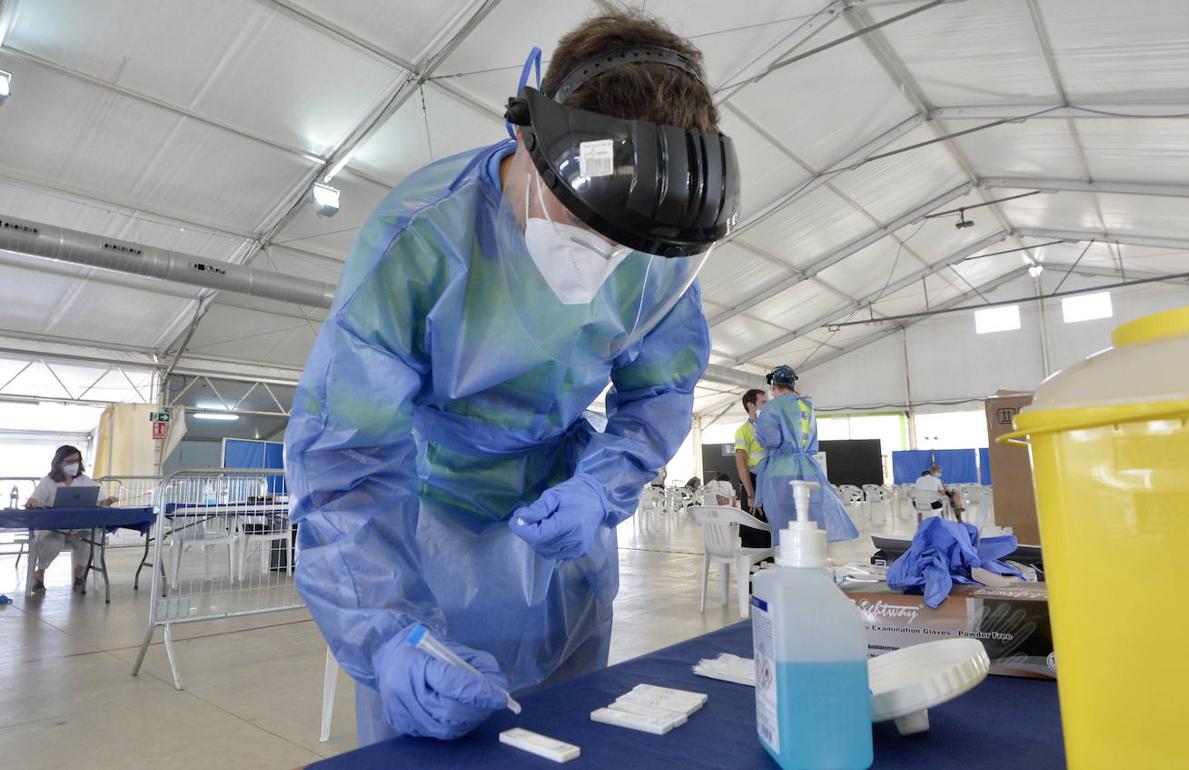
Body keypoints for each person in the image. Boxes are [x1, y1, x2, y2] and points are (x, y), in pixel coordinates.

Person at [285, 11, 740, 745]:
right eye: (586, 217)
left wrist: (601, 487)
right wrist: (387, 632)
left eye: (625, 243)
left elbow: (659, 391)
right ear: (527, 135)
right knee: (429, 737)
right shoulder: (422, 237)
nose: (601, 254)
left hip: (564, 521)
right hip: (423, 529)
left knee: (573, 728)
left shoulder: (661, 250)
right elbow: (346, 457)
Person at [753, 366, 858, 544]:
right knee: (808, 517)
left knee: (784, 524)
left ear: (774, 385)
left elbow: (772, 440)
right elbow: (812, 440)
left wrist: (758, 430)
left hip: (780, 471)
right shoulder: (807, 405)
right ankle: (809, 556)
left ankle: (787, 560)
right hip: (807, 469)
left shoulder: (772, 407)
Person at [24, 445, 117, 594]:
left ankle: (79, 573)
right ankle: (39, 572)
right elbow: (34, 500)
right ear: (59, 462)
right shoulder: (48, 482)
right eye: (70, 461)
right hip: (53, 528)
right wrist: (32, 503)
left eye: (77, 461)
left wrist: (107, 501)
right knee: (54, 542)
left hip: (79, 528)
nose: (74, 464)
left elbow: (100, 501)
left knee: (91, 539)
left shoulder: (85, 480)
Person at [734, 388, 770, 547]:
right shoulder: (743, 431)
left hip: (769, 483)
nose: (767, 406)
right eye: (763, 402)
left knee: (770, 532)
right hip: (753, 484)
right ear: (750, 405)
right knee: (755, 533)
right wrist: (751, 494)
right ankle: (753, 571)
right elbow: (741, 464)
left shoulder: (770, 429)